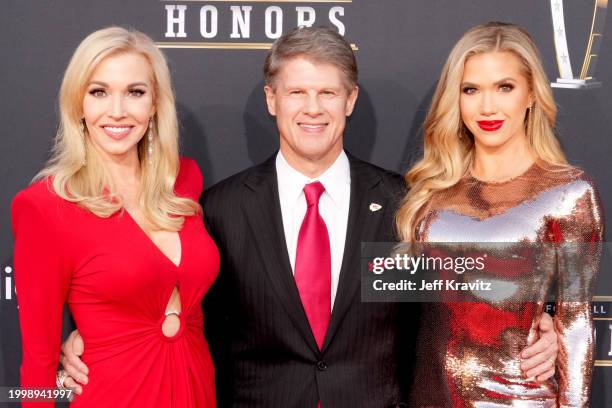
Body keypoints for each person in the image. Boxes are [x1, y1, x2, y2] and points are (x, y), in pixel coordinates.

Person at [60, 26, 558, 407]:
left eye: (327, 93)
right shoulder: (220, 209)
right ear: (272, 101)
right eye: (297, 92)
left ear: (350, 100)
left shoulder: (408, 203)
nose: (312, 109)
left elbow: (451, 308)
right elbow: (180, 313)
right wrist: (95, 337)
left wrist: (545, 322)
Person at [396, 22, 604, 406]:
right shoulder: (430, 192)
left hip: (519, 397)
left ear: (530, 94)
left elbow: (575, 325)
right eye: (471, 90)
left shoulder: (568, 193)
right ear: (455, 99)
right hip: (428, 398)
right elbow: (404, 301)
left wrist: (549, 323)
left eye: (504, 87)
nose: (487, 107)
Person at [11, 27, 219, 407]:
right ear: (78, 104)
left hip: (196, 389)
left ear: (155, 103)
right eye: (99, 92)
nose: (118, 111)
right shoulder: (45, 207)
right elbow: (38, 363)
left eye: (135, 92)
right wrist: (53, 384)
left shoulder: (184, 180)